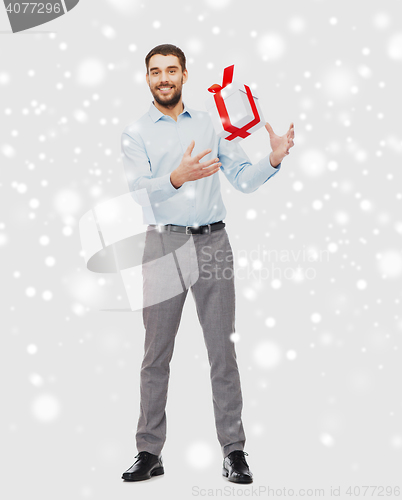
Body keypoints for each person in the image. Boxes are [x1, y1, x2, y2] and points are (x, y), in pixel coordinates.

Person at [120, 44, 294, 483]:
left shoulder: (211, 124)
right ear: (147, 78)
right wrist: (177, 176)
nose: (164, 78)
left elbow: (241, 179)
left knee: (222, 351)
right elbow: (139, 192)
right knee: (155, 354)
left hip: (213, 243)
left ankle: (234, 451)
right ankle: (148, 451)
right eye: (156, 71)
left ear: (183, 75)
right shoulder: (136, 133)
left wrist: (272, 158)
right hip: (163, 246)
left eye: (171, 70)